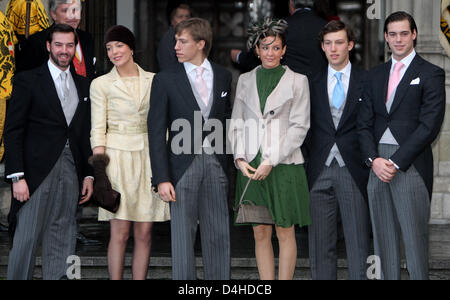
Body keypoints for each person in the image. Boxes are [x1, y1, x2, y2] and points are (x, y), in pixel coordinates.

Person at [358, 11, 446, 280]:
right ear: (385, 37)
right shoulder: (374, 75)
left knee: (414, 239)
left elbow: (429, 125)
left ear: (414, 34)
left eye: (404, 33)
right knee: (383, 241)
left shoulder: (431, 73)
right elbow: (363, 124)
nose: (398, 39)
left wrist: (395, 162)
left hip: (409, 164)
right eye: (392, 34)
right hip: (377, 165)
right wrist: (373, 159)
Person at [4, 23, 94, 280]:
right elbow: (13, 131)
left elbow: (85, 133)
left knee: (65, 234)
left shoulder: (85, 85)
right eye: (58, 45)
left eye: (69, 45)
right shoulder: (27, 80)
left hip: (72, 170)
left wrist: (88, 174)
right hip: (35, 173)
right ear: (48, 46)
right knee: (26, 239)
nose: (63, 50)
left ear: (75, 47)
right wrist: (16, 176)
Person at [149, 18, 232, 280]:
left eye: (182, 41)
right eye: (176, 40)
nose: (176, 46)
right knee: (183, 237)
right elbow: (155, 131)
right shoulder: (165, 79)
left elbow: (228, 123)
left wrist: (230, 165)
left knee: (219, 233)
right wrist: (162, 178)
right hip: (181, 166)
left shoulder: (223, 76)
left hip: (217, 164)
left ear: (200, 44)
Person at [229, 18, 311, 280]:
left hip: (284, 165)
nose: (270, 53)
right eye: (265, 47)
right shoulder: (244, 80)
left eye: (276, 48)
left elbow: (299, 128)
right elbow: (237, 122)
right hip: (251, 165)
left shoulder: (298, 81)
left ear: (284, 50)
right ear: (257, 50)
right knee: (260, 232)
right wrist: (240, 158)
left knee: (284, 230)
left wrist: (271, 160)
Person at [89, 25, 170, 280]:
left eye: (119, 45)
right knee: (120, 233)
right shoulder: (100, 84)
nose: (114, 52)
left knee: (144, 233)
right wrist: (100, 174)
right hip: (117, 159)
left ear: (131, 48)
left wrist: (165, 164)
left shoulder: (155, 80)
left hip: (148, 158)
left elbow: (163, 123)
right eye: (109, 48)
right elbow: (97, 128)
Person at [305, 20, 370, 280]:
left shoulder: (368, 80)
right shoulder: (311, 82)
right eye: (328, 43)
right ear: (322, 46)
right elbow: (305, 127)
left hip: (354, 170)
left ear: (350, 45)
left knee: (358, 245)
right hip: (319, 169)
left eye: (339, 42)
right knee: (320, 247)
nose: (334, 48)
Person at [231, 0, 327, 77]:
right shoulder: (326, 26)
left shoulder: (280, 27)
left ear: (290, 4)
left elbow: (261, 55)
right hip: (318, 92)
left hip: (287, 91)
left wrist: (239, 56)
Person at [16, 0, 96, 81]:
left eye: (76, 10)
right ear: (53, 14)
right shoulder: (36, 42)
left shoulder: (87, 39)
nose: (72, 16)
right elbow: (24, 79)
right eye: (65, 10)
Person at [157, 1, 191, 71]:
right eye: (180, 17)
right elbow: (168, 69)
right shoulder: (169, 40)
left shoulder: (189, 36)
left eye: (187, 16)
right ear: (172, 20)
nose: (184, 20)